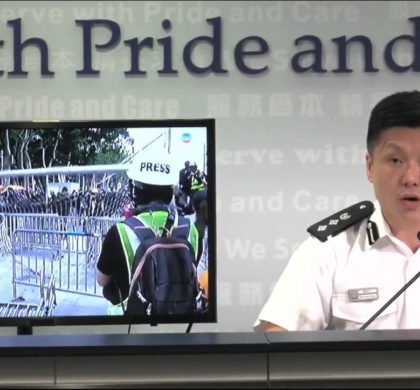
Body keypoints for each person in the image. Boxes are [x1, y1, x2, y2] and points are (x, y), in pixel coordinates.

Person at [254, 90, 420, 331]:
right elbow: (278, 338)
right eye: (396, 160)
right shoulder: (329, 250)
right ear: (370, 167)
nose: (411, 178)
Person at [96, 149, 200, 314]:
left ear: (136, 190)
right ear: (170, 190)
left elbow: (102, 280)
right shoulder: (190, 229)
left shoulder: (120, 232)